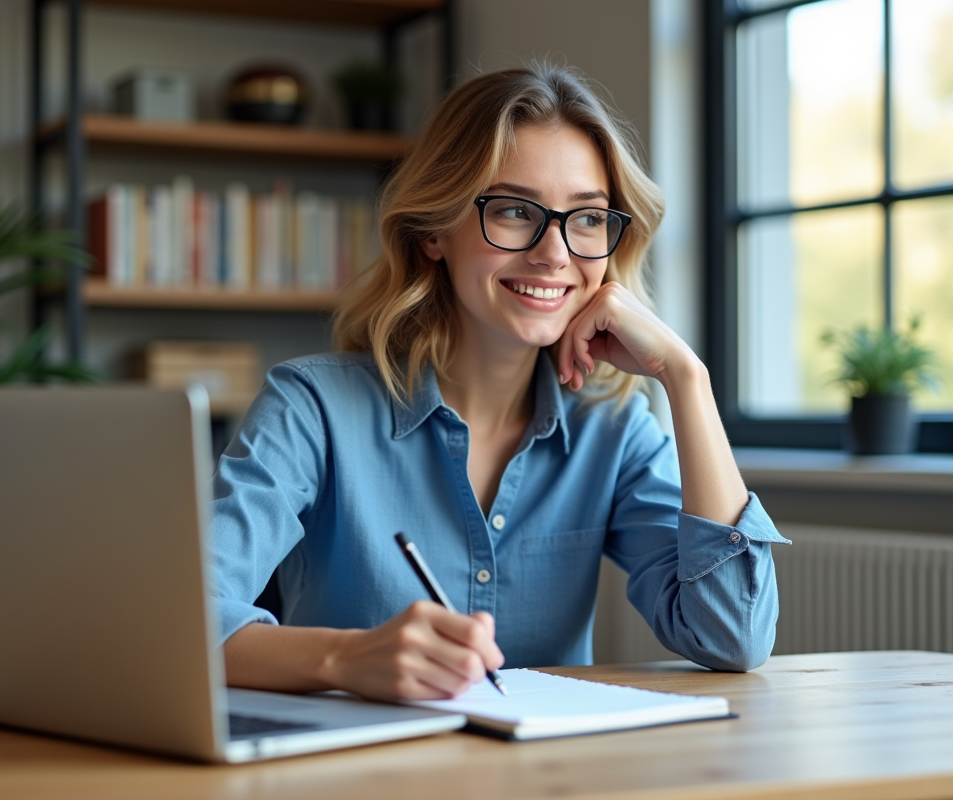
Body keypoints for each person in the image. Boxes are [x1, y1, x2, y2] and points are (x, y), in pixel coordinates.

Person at [212, 63, 790, 703]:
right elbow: (188, 617)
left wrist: (687, 379)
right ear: (434, 229)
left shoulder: (614, 431)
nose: (555, 253)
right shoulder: (312, 409)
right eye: (516, 211)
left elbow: (732, 635)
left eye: (588, 218)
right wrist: (348, 658)